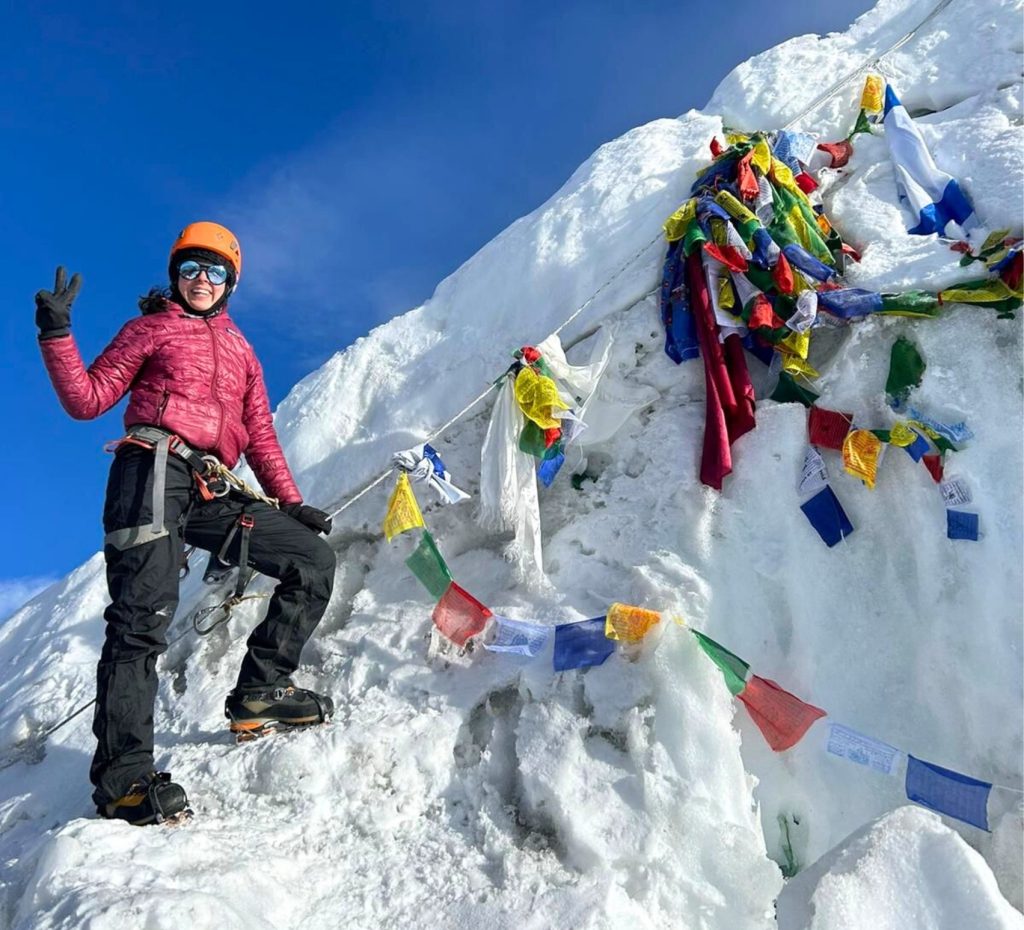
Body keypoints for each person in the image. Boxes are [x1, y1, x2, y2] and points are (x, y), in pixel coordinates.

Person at [35, 222, 337, 826]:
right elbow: (88, 399)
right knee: (142, 619)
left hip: (212, 486)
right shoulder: (151, 329)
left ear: (231, 283)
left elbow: (261, 436)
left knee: (310, 559)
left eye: (215, 271)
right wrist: (58, 334)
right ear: (176, 275)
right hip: (150, 471)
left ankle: (260, 691)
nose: (202, 280)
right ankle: (124, 780)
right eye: (192, 269)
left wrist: (291, 503)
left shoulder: (243, 352)